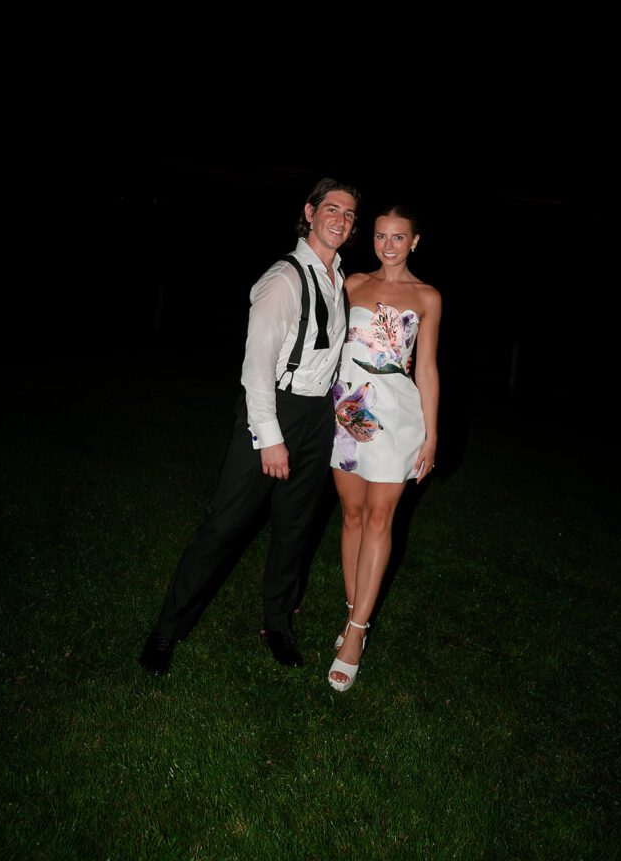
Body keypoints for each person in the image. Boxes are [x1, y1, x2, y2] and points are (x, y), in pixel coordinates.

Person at [139, 177, 361, 674]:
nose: (340, 220)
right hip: (272, 411)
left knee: (294, 530)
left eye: (348, 214)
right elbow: (255, 366)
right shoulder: (283, 279)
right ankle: (166, 631)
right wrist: (271, 438)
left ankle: (278, 625)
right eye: (331, 209)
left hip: (317, 417)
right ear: (309, 212)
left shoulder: (338, 278)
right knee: (224, 526)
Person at [327, 205, 441, 690]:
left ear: (414, 241)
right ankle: (357, 609)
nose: (388, 244)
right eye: (380, 236)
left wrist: (432, 435)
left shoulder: (427, 296)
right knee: (352, 515)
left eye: (398, 237)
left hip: (396, 413)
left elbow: (427, 368)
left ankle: (355, 634)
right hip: (348, 409)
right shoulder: (352, 283)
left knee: (379, 517)